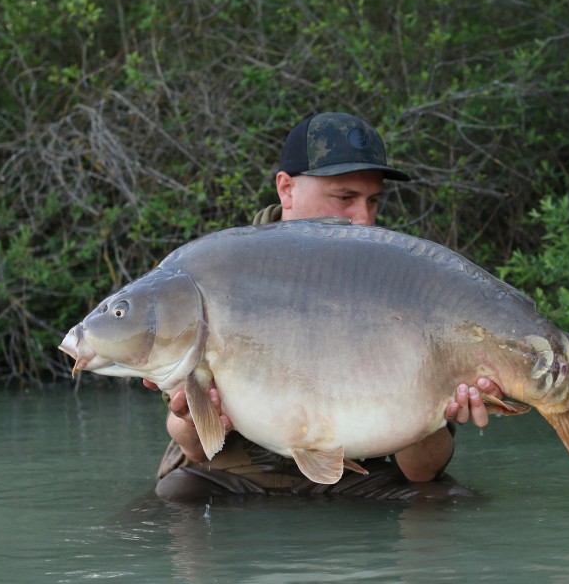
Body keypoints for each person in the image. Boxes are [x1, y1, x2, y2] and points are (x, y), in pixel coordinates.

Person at [147, 112, 501, 502]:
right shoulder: (217, 271)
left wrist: (437, 413)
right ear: (286, 190)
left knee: (446, 502)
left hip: (356, 475)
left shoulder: (404, 281)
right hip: (233, 477)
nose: (364, 220)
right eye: (345, 198)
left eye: (373, 201)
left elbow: (421, 471)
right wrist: (190, 414)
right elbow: (195, 448)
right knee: (176, 497)